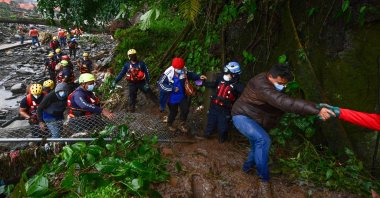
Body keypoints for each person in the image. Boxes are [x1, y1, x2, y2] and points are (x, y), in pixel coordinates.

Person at [231, 63, 334, 197]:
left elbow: (286, 101)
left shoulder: (271, 82)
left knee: (257, 145)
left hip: (254, 119)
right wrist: (316, 109)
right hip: (242, 116)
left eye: (285, 84)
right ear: (271, 76)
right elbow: (285, 102)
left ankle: (246, 169)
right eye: (280, 83)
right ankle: (264, 180)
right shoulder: (262, 86)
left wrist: (316, 107)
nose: (283, 87)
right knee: (263, 140)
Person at [158, 57, 207, 133]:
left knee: (185, 109)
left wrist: (198, 76)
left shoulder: (183, 69)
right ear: (174, 67)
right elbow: (161, 84)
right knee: (173, 112)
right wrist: (172, 88)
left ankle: (181, 124)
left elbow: (190, 74)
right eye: (178, 68)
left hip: (181, 95)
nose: (180, 70)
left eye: (181, 68)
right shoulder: (167, 73)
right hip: (171, 97)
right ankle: (169, 124)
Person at [203, 61, 244, 143]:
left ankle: (222, 141)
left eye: (228, 73)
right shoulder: (221, 77)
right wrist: (204, 83)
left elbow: (243, 98)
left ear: (234, 75)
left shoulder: (239, 86)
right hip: (214, 106)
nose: (226, 75)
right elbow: (214, 84)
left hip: (225, 109)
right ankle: (206, 136)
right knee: (210, 122)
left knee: (223, 127)